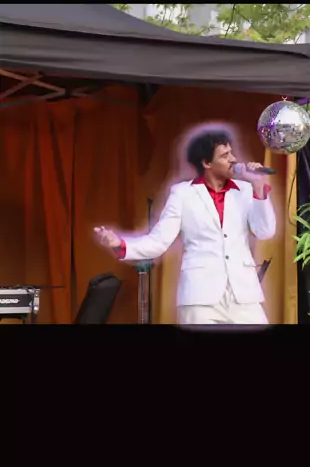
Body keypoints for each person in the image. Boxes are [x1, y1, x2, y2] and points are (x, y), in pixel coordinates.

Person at [94, 129, 276, 325]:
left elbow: (265, 231)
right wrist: (120, 244)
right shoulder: (182, 194)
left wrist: (258, 187)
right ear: (207, 163)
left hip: (243, 295)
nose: (233, 159)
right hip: (200, 297)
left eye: (231, 153)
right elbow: (159, 241)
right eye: (225, 155)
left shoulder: (246, 190)